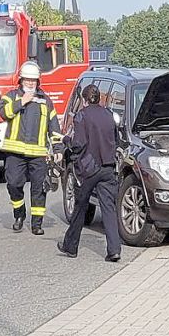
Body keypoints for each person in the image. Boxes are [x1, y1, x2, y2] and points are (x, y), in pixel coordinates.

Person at [56, 85, 123, 262]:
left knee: (80, 208)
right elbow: (116, 140)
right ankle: (114, 250)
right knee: (109, 208)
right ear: (99, 99)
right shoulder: (108, 114)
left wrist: (65, 140)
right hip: (108, 167)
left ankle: (70, 247)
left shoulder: (82, 116)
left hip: (88, 169)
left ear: (84, 101)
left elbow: (79, 144)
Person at [0, 61, 62, 235]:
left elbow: (54, 127)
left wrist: (58, 149)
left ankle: (36, 224)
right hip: (15, 153)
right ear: (20, 80)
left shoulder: (45, 101)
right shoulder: (11, 96)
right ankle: (19, 214)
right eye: (27, 80)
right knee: (13, 184)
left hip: (38, 154)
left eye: (33, 80)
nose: (30, 83)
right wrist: (21, 102)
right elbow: (3, 113)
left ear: (38, 81)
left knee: (39, 189)